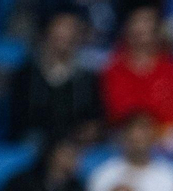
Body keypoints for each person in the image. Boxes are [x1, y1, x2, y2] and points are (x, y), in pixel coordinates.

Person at [8, 8, 104, 145]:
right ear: (47, 30)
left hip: (76, 147)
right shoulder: (25, 75)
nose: (67, 34)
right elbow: (18, 121)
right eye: (60, 26)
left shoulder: (89, 78)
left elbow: (93, 120)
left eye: (72, 28)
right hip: (33, 145)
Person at [100, 5, 173, 132]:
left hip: (168, 138)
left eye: (148, 21)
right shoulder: (113, 69)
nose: (143, 28)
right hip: (123, 138)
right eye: (137, 21)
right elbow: (115, 112)